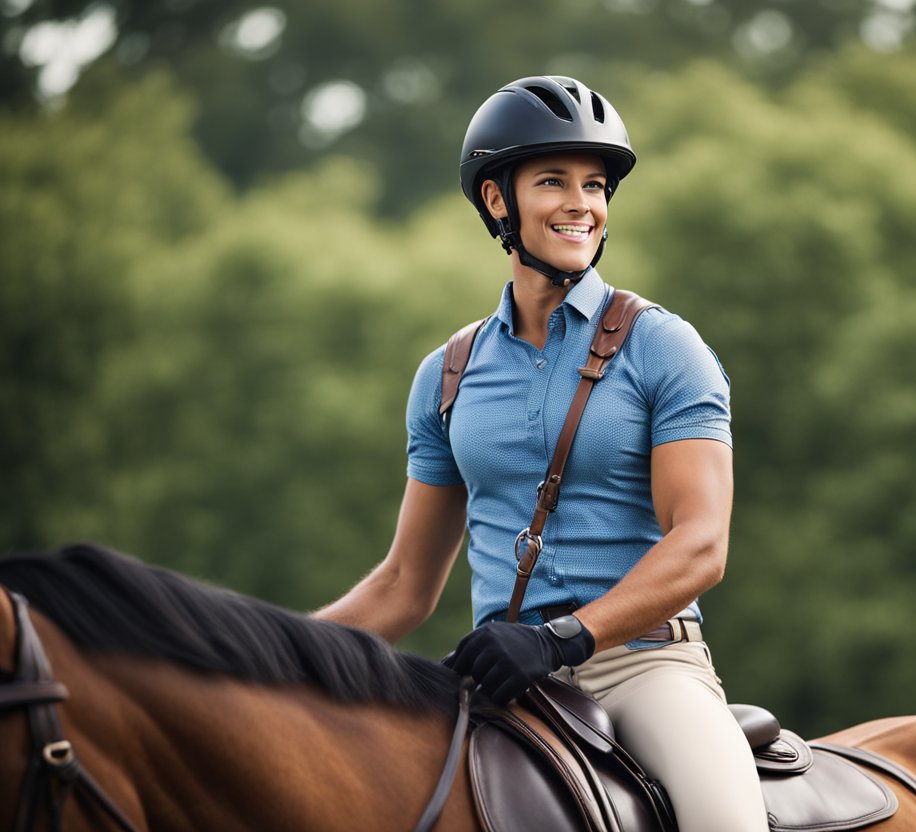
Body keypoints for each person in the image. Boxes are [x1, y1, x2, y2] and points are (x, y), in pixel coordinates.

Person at [315, 75, 768, 831]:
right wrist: (270, 659)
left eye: (594, 185)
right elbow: (402, 585)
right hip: (498, 683)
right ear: (498, 200)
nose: (581, 204)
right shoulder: (447, 375)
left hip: (642, 669)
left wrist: (560, 640)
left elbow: (701, 544)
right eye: (553, 181)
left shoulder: (665, 347)